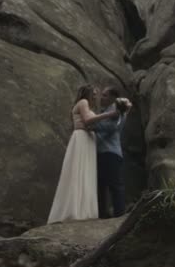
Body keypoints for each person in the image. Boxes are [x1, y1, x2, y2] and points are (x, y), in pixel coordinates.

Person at [47, 84, 121, 224]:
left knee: (86, 174)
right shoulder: (83, 102)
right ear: (87, 93)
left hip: (88, 141)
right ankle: (75, 211)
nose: (96, 96)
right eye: (94, 93)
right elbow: (87, 120)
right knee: (78, 173)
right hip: (82, 139)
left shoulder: (89, 106)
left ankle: (85, 210)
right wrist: (110, 114)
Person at [93, 86, 132, 218]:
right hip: (100, 153)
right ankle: (102, 214)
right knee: (100, 185)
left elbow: (111, 127)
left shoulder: (118, 109)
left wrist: (92, 124)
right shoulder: (105, 111)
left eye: (104, 95)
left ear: (112, 98)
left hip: (111, 153)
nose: (101, 98)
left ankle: (119, 215)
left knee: (115, 185)